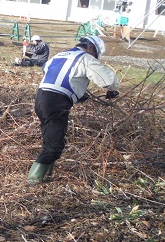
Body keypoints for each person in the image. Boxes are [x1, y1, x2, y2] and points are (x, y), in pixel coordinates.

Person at [28, 35, 119, 184]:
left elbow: (47, 70)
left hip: (41, 98)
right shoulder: (85, 58)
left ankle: (46, 178)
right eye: (96, 54)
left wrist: (76, 92)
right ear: (91, 48)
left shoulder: (59, 55)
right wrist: (113, 90)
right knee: (55, 145)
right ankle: (33, 182)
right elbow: (108, 79)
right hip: (56, 102)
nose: (95, 58)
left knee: (49, 140)